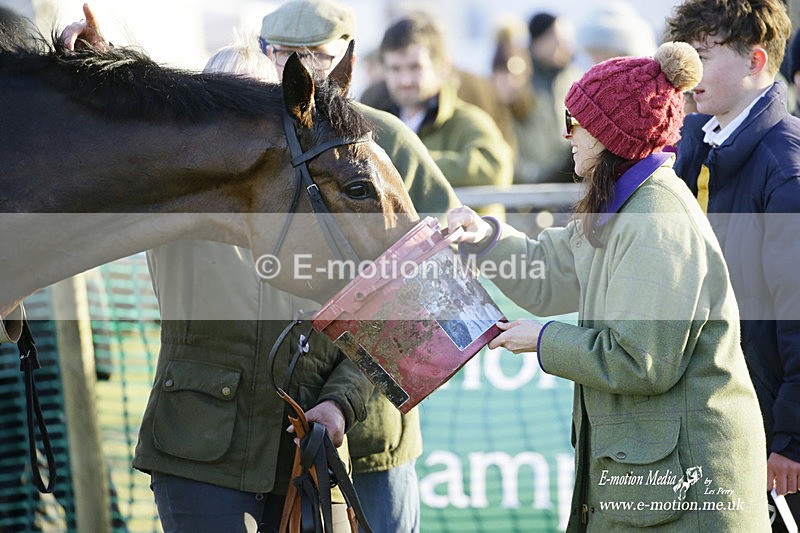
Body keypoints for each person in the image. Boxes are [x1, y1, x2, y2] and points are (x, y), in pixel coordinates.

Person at [447, 42, 769, 531]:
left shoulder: (656, 218)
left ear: (610, 133)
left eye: (577, 122)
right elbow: (546, 271)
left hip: (687, 497)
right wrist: (484, 238)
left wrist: (543, 339)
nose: (566, 135)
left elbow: (641, 361)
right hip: (658, 485)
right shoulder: (622, 205)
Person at [666, 0, 800, 530]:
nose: (689, 72)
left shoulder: (786, 168)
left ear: (755, 61)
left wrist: (791, 439)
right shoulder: (694, 144)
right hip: (713, 413)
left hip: (770, 435)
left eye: (704, 55)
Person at [377, 12, 513, 219]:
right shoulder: (377, 122)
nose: (405, 80)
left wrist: (403, 162)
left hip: (463, 248)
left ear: (443, 67)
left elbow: (496, 170)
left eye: (415, 67)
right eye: (395, 69)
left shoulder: (468, 120)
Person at [508, 12, 582, 185]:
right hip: (527, 185)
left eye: (566, 40)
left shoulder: (576, 80)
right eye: (556, 39)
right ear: (537, 41)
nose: (563, 46)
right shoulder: (517, 80)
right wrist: (528, 175)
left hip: (568, 179)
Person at [577, 2, 657, 65]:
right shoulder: (584, 77)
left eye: (605, 50)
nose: (598, 57)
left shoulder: (644, 79)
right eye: (594, 51)